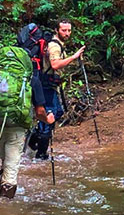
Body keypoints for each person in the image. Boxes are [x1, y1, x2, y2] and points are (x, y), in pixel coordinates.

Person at [32, 18, 85, 159]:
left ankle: (34, 138)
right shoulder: (55, 46)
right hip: (45, 86)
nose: (67, 33)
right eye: (64, 30)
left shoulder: (59, 44)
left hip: (50, 85)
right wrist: (74, 57)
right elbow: (55, 65)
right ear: (57, 30)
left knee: (59, 112)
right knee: (49, 116)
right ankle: (41, 154)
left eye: (69, 30)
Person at [0, 73, 55, 198]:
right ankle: (4, 207)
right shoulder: (31, 80)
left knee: (4, 159)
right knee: (11, 167)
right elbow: (39, 112)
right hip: (16, 126)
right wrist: (48, 119)